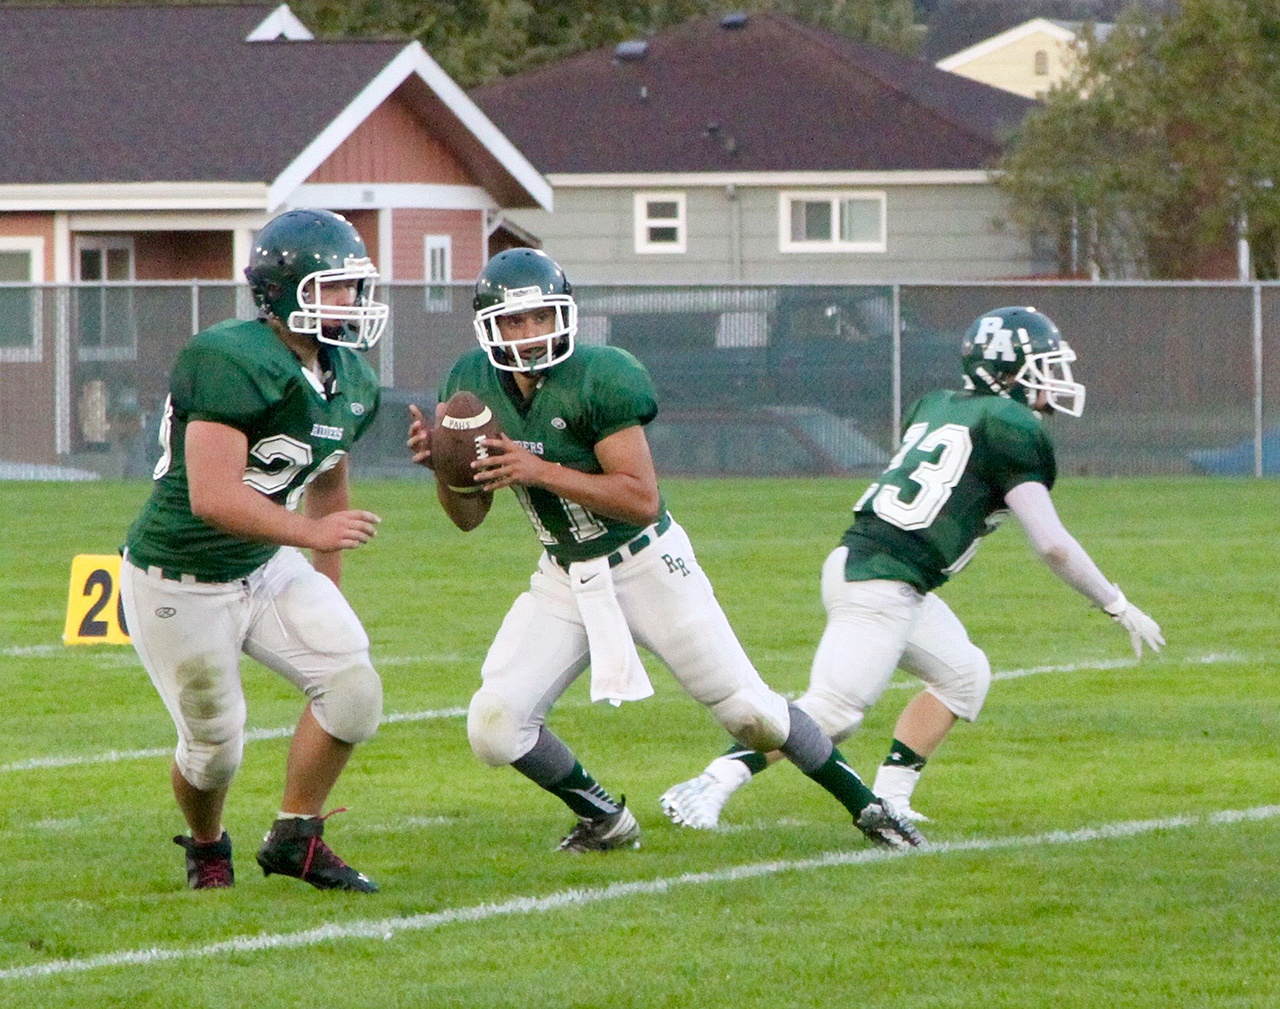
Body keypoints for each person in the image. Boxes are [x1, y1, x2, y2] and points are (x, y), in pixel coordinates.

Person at [408, 247, 924, 853]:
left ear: (563, 316)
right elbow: (468, 518)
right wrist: (445, 468)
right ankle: (605, 819)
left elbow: (639, 499)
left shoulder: (602, 373)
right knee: (494, 726)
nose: (529, 335)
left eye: (541, 318)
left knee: (749, 715)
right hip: (564, 575)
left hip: (648, 564)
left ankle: (871, 809)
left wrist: (538, 469)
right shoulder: (469, 382)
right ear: (489, 327)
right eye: (514, 322)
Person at [660, 305, 1164, 829]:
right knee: (834, 712)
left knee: (964, 675)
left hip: (876, 569)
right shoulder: (1012, 426)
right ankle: (715, 781)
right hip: (883, 580)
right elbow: (1052, 544)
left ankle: (893, 797)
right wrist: (1115, 603)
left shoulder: (938, 405)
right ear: (1006, 373)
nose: (1055, 380)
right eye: (1044, 366)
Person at [119, 208, 388, 891]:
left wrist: (327, 579)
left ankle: (297, 833)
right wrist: (310, 535)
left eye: (354, 288)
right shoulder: (230, 357)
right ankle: (207, 843)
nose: (351, 303)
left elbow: (329, 483)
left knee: (353, 689)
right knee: (214, 751)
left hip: (264, 564)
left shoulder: (350, 379)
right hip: (181, 574)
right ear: (283, 292)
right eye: (334, 287)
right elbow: (214, 494)